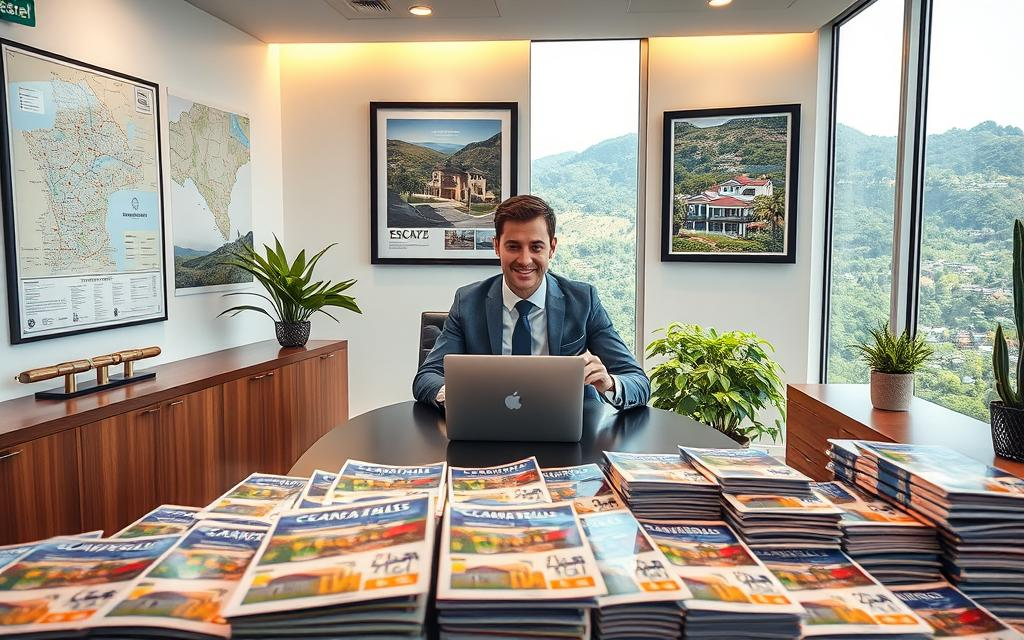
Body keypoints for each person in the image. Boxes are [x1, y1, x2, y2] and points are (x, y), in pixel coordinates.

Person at [413, 194, 650, 411]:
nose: (525, 260)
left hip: (569, 431)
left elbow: (638, 382)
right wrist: (454, 395)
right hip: (487, 427)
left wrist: (608, 383)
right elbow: (427, 376)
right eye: (513, 246)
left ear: (552, 248)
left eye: (536, 247)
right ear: (496, 247)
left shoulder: (583, 300)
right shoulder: (468, 301)